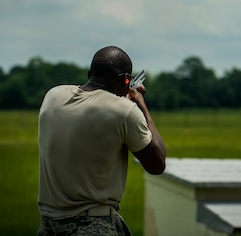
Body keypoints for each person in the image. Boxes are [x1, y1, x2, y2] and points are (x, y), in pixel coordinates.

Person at [37, 46, 166, 235]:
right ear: (126, 80)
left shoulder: (53, 95)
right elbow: (157, 163)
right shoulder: (125, 111)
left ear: (90, 73)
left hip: (49, 226)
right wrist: (140, 105)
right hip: (93, 226)